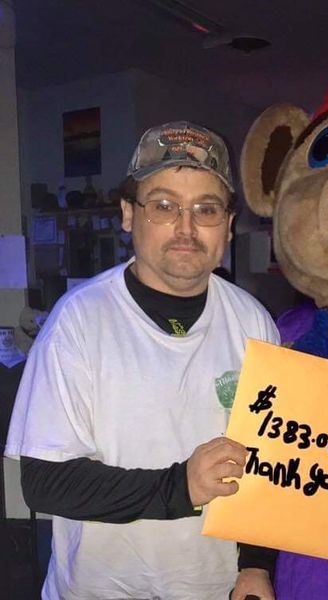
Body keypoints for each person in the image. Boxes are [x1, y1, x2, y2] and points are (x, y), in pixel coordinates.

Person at [5, 121, 279, 600]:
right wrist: (181, 487)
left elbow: (270, 459)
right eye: (165, 206)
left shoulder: (253, 321)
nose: (186, 228)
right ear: (129, 215)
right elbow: (45, 483)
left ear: (230, 226)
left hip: (214, 588)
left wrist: (255, 565)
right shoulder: (79, 321)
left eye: (206, 209)